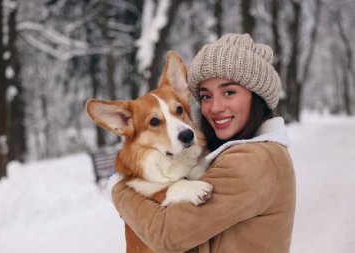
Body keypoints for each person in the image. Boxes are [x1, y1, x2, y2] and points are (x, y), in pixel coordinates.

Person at [109, 33, 296, 253]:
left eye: (229, 92)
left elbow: (168, 234)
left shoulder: (255, 160)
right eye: (206, 96)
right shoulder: (228, 152)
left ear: (256, 96)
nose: (215, 107)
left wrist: (119, 191)